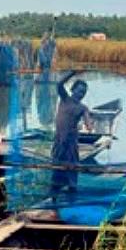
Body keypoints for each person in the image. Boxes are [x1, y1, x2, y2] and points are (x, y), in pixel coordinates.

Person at [51, 70, 91, 198]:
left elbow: (87, 119)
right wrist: (73, 72)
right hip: (59, 141)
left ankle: (71, 196)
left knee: (72, 172)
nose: (80, 94)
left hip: (71, 143)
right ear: (73, 89)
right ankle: (53, 200)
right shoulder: (64, 98)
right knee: (56, 171)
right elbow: (59, 84)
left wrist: (89, 125)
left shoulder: (82, 107)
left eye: (83, 93)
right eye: (79, 91)